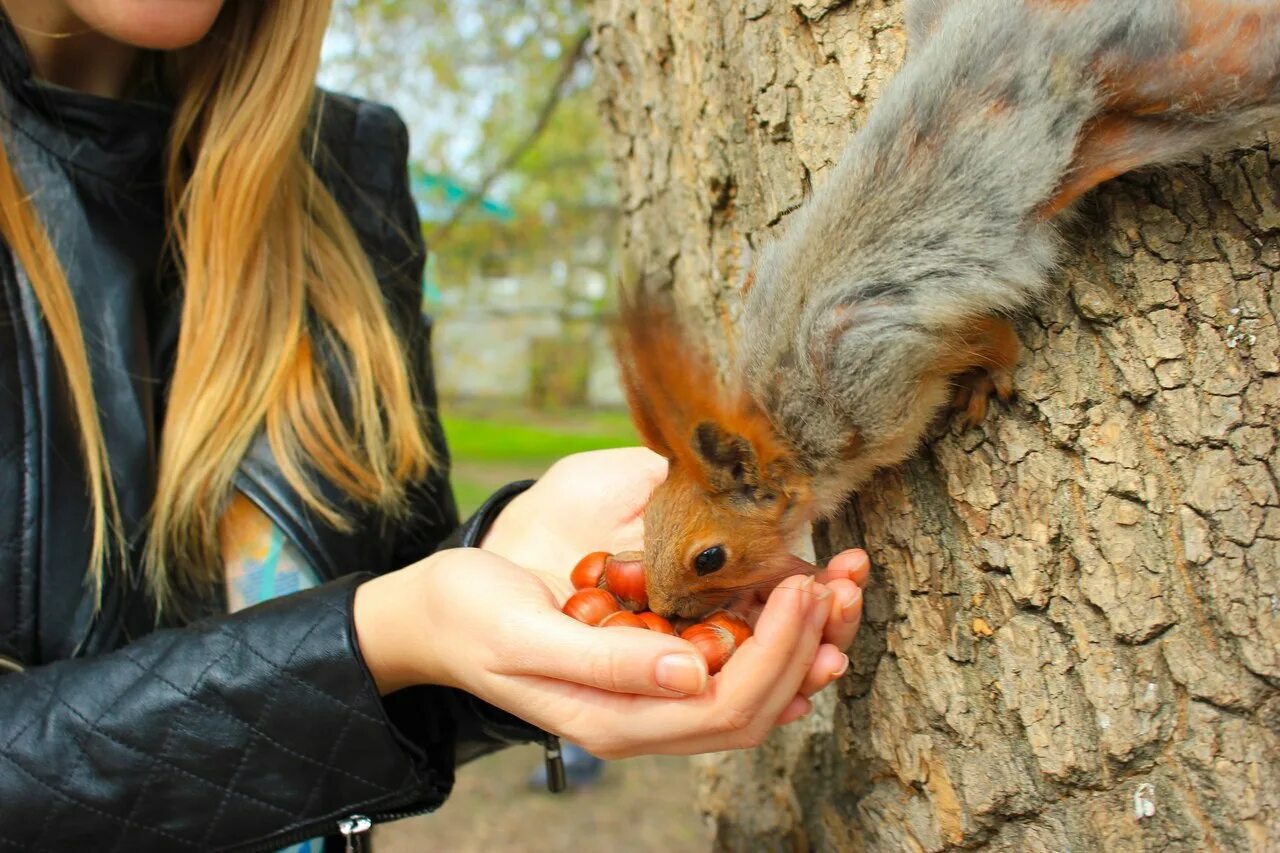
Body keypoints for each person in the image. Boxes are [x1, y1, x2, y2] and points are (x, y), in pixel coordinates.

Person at [0, 1, 870, 851]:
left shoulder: (346, 169)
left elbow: (392, 674)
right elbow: (379, 630)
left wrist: (491, 574)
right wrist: (378, 635)